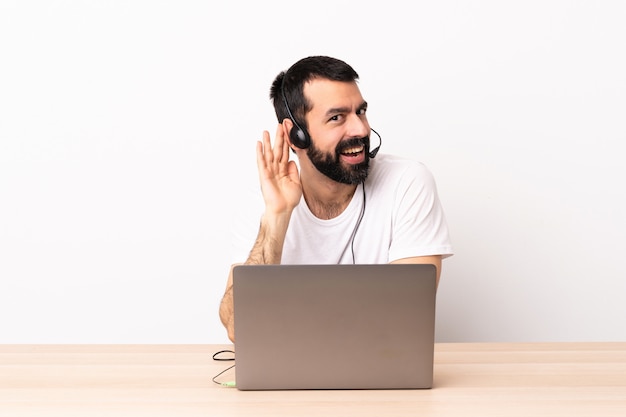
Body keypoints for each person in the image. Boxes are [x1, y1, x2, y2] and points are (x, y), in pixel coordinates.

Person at [219, 56, 453, 342]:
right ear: (297, 137)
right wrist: (277, 217)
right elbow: (237, 326)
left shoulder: (407, 183)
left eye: (360, 112)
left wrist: (285, 322)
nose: (361, 130)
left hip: (380, 373)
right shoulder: (265, 203)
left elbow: (408, 316)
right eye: (337, 118)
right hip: (288, 380)